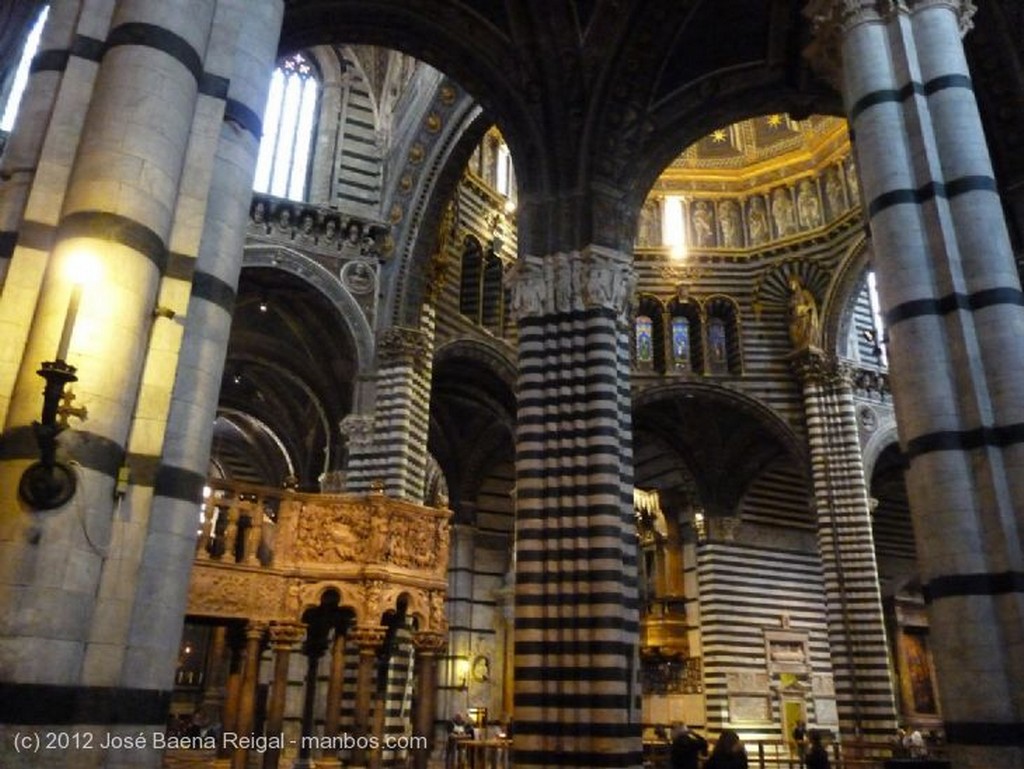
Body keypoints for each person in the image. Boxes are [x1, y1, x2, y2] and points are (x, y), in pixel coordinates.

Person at [788, 275, 821, 350]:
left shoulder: (804, 293)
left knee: (804, 332)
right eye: (789, 284)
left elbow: (811, 304)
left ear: (797, 283)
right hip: (795, 319)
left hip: (804, 318)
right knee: (793, 331)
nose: (789, 285)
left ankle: (805, 344)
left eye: (791, 283)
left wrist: (804, 308)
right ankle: (798, 346)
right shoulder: (792, 297)